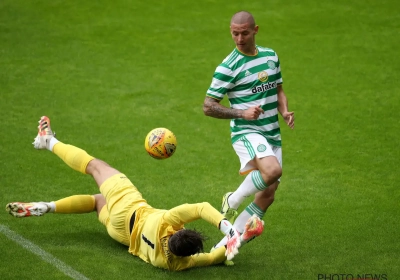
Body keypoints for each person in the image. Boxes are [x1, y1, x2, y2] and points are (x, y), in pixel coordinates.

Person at [6, 116, 265, 271]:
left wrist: (228, 229)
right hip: (120, 234)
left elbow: (200, 208)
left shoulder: (167, 222)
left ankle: (47, 140)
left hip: (128, 208)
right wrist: (241, 238)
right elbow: (214, 258)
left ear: (178, 231)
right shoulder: (174, 264)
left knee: (96, 166)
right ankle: (49, 207)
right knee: (97, 202)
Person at [203, 11, 294, 251]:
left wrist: (284, 111)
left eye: (244, 33)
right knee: (273, 170)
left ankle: (225, 247)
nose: (239, 38)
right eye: (235, 33)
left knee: (268, 194)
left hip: (272, 132)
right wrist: (241, 113)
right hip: (246, 131)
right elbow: (208, 107)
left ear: (255, 30)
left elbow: (278, 89)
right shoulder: (227, 67)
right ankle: (232, 199)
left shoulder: (270, 56)